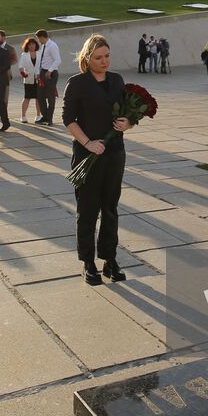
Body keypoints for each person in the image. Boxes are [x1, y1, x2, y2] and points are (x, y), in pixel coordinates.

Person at [63, 34, 137, 286]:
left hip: (115, 153)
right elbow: (69, 119)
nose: (104, 61)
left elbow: (127, 111)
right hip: (87, 155)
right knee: (87, 210)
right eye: (98, 58)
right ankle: (88, 262)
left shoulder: (116, 80)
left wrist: (128, 123)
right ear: (87, 58)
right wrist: (88, 143)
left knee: (110, 209)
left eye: (107, 56)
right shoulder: (77, 83)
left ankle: (109, 259)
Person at [34, 29, 61, 125]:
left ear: (42, 37)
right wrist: (38, 73)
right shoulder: (42, 46)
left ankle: (49, 118)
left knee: (50, 96)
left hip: (51, 73)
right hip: (43, 72)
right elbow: (40, 61)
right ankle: (45, 116)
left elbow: (58, 60)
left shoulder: (52, 46)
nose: (38, 40)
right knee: (40, 96)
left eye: (38, 38)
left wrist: (50, 70)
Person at [17, 37, 41, 122]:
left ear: (36, 45)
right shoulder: (24, 54)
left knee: (38, 98)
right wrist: (23, 73)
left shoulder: (40, 53)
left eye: (33, 44)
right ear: (27, 46)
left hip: (38, 78)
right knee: (27, 98)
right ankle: (23, 116)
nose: (32, 46)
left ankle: (38, 115)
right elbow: (20, 66)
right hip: (28, 79)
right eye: (30, 45)